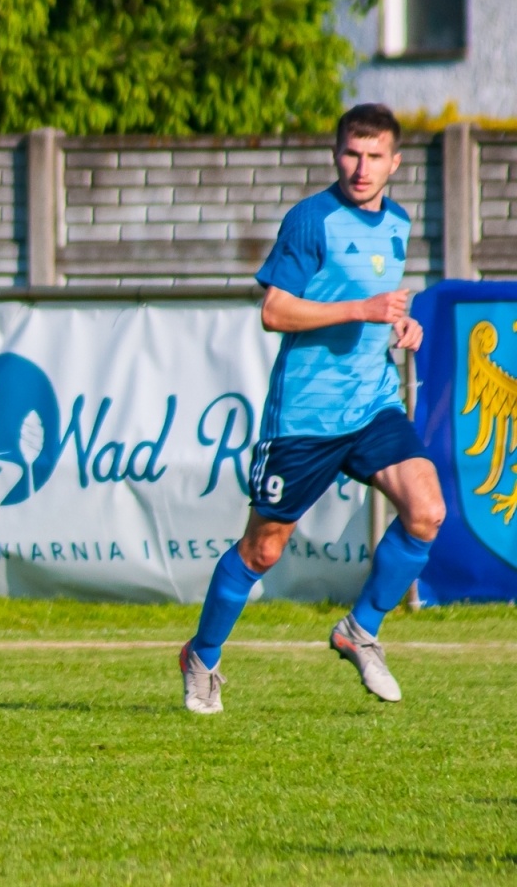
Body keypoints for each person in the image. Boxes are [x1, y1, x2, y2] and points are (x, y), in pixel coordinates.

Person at [179, 104, 446, 714]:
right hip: (305, 415)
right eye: (352, 153)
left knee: (427, 510)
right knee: (263, 550)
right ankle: (203, 655)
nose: (362, 167)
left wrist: (404, 328)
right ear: (336, 154)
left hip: (373, 404)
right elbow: (276, 311)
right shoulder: (311, 220)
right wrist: (364, 310)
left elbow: (383, 308)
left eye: (375, 156)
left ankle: (360, 629)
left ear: (394, 163)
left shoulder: (398, 223)